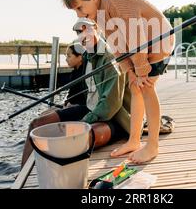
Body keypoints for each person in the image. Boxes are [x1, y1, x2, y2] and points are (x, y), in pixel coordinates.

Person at [57, 0, 175, 163]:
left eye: (80, 7)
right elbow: (118, 47)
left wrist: (142, 71)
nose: (79, 14)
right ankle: (134, 141)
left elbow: (137, 36)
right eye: (75, 11)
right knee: (134, 87)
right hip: (140, 47)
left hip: (158, 42)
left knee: (146, 88)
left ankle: (152, 146)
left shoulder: (115, 2)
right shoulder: (100, 15)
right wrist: (130, 71)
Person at [21, 18, 130, 167]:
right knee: (36, 124)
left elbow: (110, 105)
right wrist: (69, 106)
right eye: (79, 31)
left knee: (79, 136)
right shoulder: (86, 56)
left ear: (97, 28)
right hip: (89, 109)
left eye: (87, 29)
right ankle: (21, 175)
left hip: (113, 117)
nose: (83, 34)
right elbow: (84, 89)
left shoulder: (110, 58)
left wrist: (83, 122)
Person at [63, 43, 87, 108]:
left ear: (80, 57)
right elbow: (72, 93)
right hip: (70, 105)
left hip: (80, 107)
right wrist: (67, 102)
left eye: (69, 56)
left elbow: (85, 97)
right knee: (44, 113)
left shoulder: (85, 73)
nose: (66, 59)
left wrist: (73, 104)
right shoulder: (74, 72)